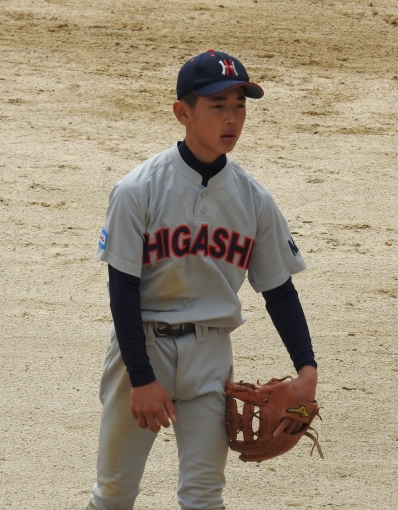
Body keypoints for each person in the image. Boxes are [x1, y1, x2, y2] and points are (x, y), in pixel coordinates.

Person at [85, 49, 318, 510]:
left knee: (205, 496)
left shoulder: (254, 199)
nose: (232, 118)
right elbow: (122, 289)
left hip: (211, 353)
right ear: (183, 112)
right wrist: (142, 378)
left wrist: (307, 367)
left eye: (240, 105)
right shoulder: (138, 189)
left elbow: (278, 290)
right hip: (142, 347)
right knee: (114, 492)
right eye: (217, 105)